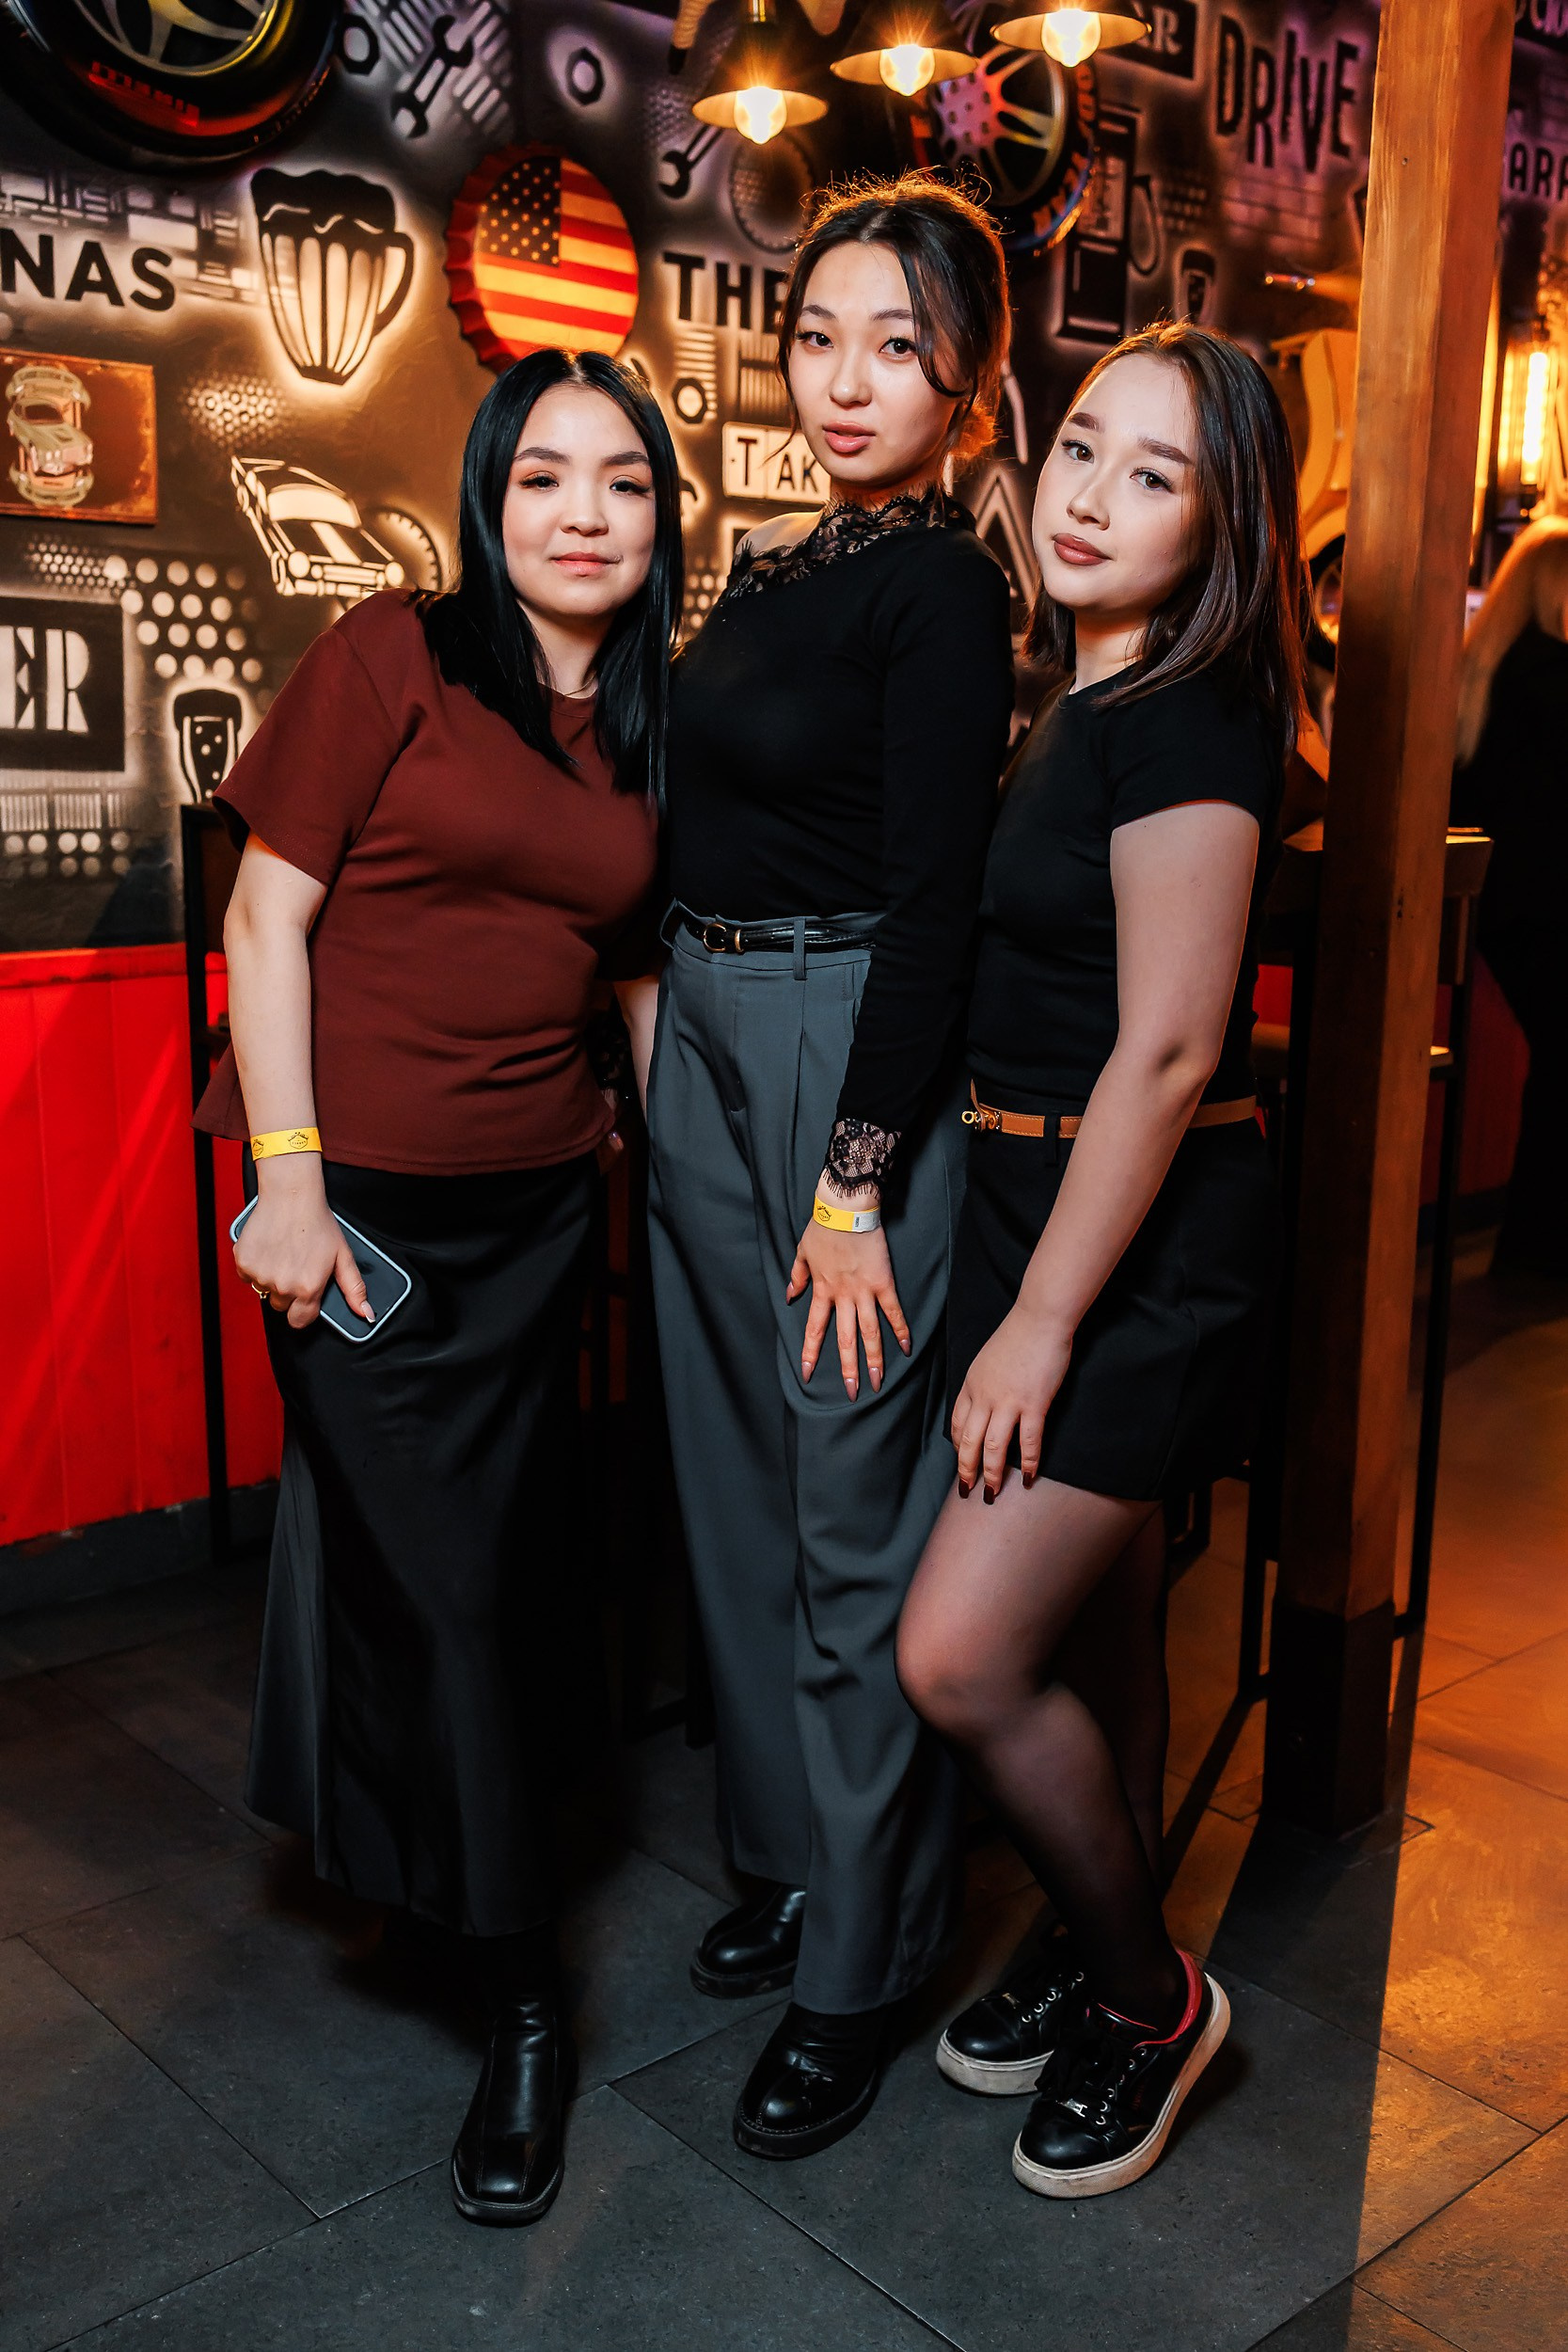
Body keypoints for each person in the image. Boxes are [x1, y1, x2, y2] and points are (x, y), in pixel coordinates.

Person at [194, 349, 681, 2226]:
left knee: (494, 1580)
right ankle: (529, 2001)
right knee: (452, 1592)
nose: (582, 511)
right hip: (364, 1222)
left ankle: (422, 1864)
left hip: (539, 1217)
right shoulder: (390, 654)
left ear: (658, 517)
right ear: (488, 496)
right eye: (543, 474)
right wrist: (287, 1181)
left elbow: (625, 966)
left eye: (621, 479)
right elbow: (266, 913)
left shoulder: (642, 721)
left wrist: (697, 1174)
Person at [616, 175, 1015, 2160]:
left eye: (896, 348)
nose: (845, 380)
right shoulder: (768, 561)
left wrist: (854, 1177)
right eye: (817, 337)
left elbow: (933, 904)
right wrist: (657, 1033)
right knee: (732, 1488)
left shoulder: (939, 588)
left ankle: (858, 1957)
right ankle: (780, 1860)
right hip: (703, 1027)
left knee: (852, 1507)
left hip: (841, 1048)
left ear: (966, 386)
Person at [897, 322, 1305, 2199]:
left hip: (1133, 1242)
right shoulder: (1084, 693)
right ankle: (1092, 1918)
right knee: (1108, 1614)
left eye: (1154, 475)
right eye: (1079, 447)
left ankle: (1148, 1998)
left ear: (1222, 525)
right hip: (1030, 1197)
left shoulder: (1190, 714)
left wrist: (1041, 1322)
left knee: (961, 1651)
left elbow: (1167, 1045)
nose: (1090, 495)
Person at [1452, 516, 1568, 1278]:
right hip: (1547, 902)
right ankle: (1535, 1250)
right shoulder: (1552, 674)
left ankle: (1531, 1247)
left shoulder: (1483, 669)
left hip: (1495, 900)